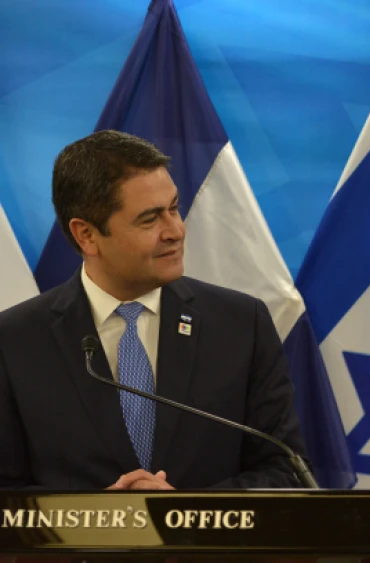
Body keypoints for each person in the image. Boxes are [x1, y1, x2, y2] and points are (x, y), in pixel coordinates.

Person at [0, 130, 308, 490]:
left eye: (174, 209)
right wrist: (94, 517)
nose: (175, 230)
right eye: (150, 219)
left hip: (208, 547)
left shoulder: (241, 325)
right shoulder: (15, 341)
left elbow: (287, 471)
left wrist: (183, 513)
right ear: (87, 235)